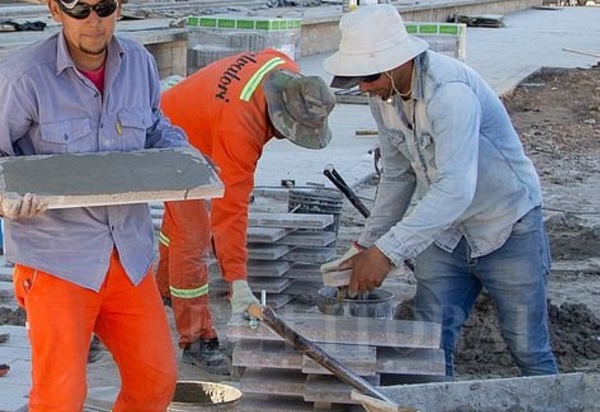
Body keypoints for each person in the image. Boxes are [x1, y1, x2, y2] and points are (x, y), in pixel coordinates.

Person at [0, 0, 184, 412]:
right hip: (58, 260)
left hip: (128, 253)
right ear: (54, 9)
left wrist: (183, 159)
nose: (94, 22)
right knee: (59, 399)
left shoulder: (139, 62)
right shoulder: (23, 74)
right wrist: (3, 197)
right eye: (79, 8)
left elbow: (159, 129)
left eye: (105, 7)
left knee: (157, 377)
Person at [320, 4, 557, 377]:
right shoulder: (383, 99)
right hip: (446, 234)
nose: (365, 88)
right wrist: (365, 246)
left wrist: (387, 253)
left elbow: (456, 189)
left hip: (506, 226)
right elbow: (398, 176)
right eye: (357, 80)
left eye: (368, 77)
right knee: (428, 346)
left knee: (527, 345)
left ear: (398, 62)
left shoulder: (450, 94)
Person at [158, 50, 335, 372]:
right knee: (193, 237)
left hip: (182, 114)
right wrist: (237, 281)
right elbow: (231, 211)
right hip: (170, 143)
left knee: (181, 225)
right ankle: (196, 338)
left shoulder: (284, 69)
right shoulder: (240, 128)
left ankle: (162, 291)